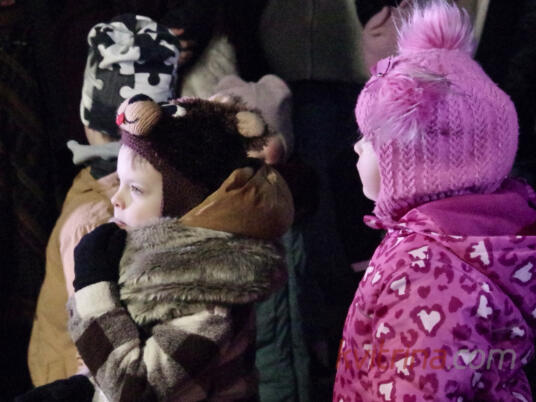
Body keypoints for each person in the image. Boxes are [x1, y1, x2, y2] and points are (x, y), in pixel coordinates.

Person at [334, 1, 536, 401]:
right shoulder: (469, 242)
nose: (357, 148)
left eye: (370, 138)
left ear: (421, 159)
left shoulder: (426, 271)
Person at [65, 94, 293, 401]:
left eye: (136, 189)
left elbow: (135, 389)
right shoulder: (142, 259)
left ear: (188, 207)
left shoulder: (206, 294)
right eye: (120, 182)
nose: (116, 199)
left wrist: (93, 287)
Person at [27, 14, 181, 387]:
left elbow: (98, 339)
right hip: (77, 378)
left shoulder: (96, 208)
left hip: (73, 378)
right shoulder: (106, 212)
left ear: (87, 120)